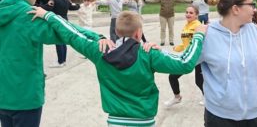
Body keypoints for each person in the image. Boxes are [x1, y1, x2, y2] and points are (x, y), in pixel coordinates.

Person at [28, 9, 207, 127]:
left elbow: (73, 34)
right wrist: (198, 36)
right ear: (138, 33)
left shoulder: (99, 50)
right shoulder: (148, 53)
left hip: (115, 120)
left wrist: (49, 15)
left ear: (117, 32)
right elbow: (185, 63)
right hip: (144, 120)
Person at [0, 0, 105, 127]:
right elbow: (66, 32)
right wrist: (97, 37)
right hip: (26, 97)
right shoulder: (28, 15)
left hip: (3, 97)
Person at [165, 5, 204, 107]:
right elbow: (186, 42)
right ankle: (177, 97)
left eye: (191, 13)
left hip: (198, 57)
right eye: (186, 12)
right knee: (172, 76)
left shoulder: (198, 26)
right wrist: (178, 48)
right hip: (188, 55)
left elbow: (199, 42)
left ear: (196, 15)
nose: (188, 14)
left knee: (199, 81)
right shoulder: (186, 26)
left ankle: (208, 98)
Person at [42, 0, 80, 68]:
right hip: (65, 21)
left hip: (57, 21)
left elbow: (48, 8)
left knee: (58, 42)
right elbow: (74, 7)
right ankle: (63, 61)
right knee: (63, 41)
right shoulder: (66, 0)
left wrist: (37, 6)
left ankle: (60, 62)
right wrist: (78, 5)